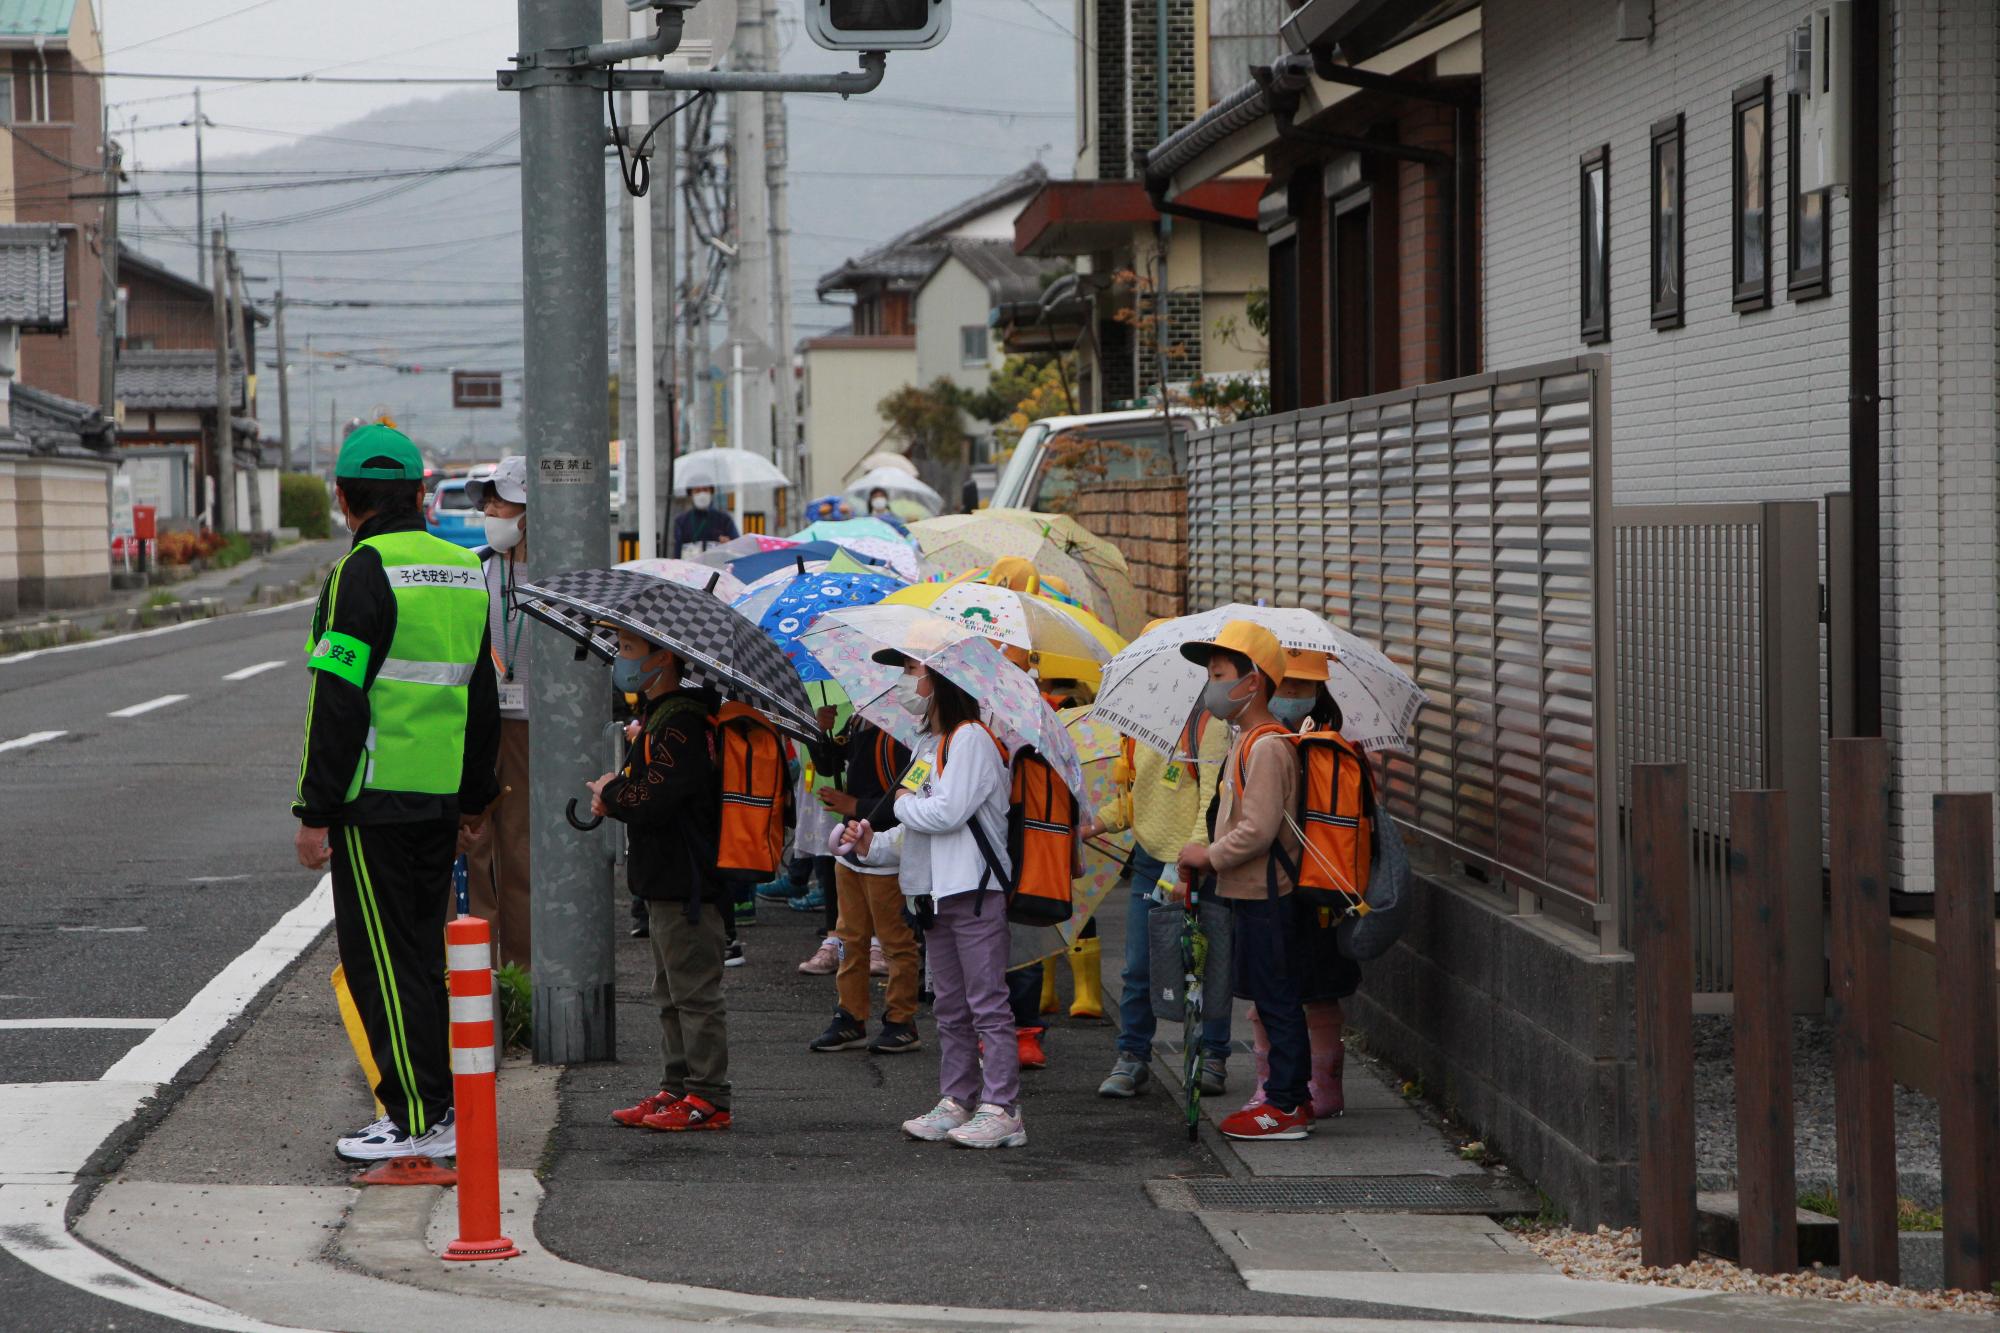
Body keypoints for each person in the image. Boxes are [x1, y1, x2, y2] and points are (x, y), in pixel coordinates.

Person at [292, 424, 499, 1163]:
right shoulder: (462, 568)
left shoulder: (362, 571)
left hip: (372, 803)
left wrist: (315, 809)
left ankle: (417, 1116)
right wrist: (477, 797)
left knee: (383, 962)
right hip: (440, 801)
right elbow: (480, 693)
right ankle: (434, 1103)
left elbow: (337, 697)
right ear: (419, 492)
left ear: (345, 500)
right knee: (419, 956)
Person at [853, 653, 1026, 1149]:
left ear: (941, 680)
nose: (906, 681)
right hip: (934, 892)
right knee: (949, 1006)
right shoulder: (930, 743)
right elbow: (917, 828)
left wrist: (902, 805)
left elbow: (946, 812)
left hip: (973, 890)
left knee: (987, 1004)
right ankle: (958, 1100)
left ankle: (1003, 1108)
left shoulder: (970, 738)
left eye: (913, 670)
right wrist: (874, 842)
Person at [1174, 620, 1312, 1142]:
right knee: (1270, 995)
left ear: (1252, 683)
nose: (1211, 685)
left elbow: (1256, 830)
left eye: (1219, 673)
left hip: (1270, 894)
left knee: (1277, 997)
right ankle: (1289, 1097)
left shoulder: (1268, 747)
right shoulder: (1246, 740)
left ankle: (1286, 1105)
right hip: (1251, 892)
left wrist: (1207, 856)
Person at [1084, 632, 1233, 1100]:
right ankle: (1132, 1056)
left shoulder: (1210, 724)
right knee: (1139, 965)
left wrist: (1192, 855)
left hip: (1199, 863)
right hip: (1150, 858)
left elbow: (1213, 796)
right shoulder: (1140, 727)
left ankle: (1213, 1056)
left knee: (1205, 964)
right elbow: (1133, 800)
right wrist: (1096, 824)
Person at [602, 632, 734, 1133]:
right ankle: (677, 1087)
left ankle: (709, 1097)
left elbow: (654, 798)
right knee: (670, 993)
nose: (622, 659)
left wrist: (611, 791)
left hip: (689, 883)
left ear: (663, 660)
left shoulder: (682, 722)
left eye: (630, 650)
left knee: (695, 995)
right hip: (665, 880)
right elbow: (644, 792)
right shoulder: (663, 719)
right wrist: (615, 793)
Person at [1238, 647, 1358, 1119]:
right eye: (1285, 686)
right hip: (1324, 891)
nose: (1292, 697)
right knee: (1312, 992)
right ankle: (1317, 1090)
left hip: (1284, 889)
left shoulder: (1279, 746)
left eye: (1301, 688)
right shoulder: (1334, 745)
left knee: (1282, 993)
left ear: (1318, 693)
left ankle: (1280, 1090)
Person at [807, 715, 920, 1055]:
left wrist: (855, 806)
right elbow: (829, 763)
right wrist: (819, 730)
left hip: (886, 850)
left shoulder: (902, 731)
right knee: (849, 938)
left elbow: (908, 801)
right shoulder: (857, 722)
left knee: (895, 941)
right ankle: (850, 1015)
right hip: (849, 848)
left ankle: (902, 1021)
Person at [462, 455, 533, 971]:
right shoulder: (473, 569)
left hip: (532, 728)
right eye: (486, 499)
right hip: (477, 724)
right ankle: (476, 973)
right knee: (474, 842)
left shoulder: (556, 579)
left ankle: (523, 971)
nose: (489, 508)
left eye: (499, 498)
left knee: (522, 847)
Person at [671, 485, 737, 557]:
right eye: (697, 491)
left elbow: (737, 547)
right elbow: (677, 553)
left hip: (716, 565)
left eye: (705, 490)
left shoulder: (724, 519)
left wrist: (729, 544)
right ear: (691, 493)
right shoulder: (681, 521)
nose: (702, 494)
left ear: (711, 492)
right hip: (691, 565)